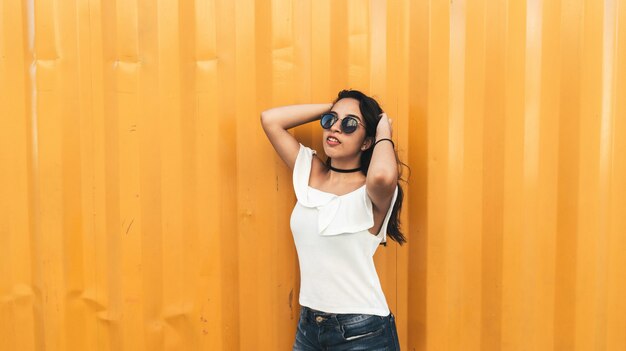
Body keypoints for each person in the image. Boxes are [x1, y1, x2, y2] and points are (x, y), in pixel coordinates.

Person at [260, 89, 407, 350]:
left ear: (366, 143)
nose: (336, 129)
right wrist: (333, 108)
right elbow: (270, 119)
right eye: (330, 121)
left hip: (363, 332)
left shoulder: (373, 191)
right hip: (309, 328)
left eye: (350, 124)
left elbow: (383, 176)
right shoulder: (310, 172)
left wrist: (384, 132)